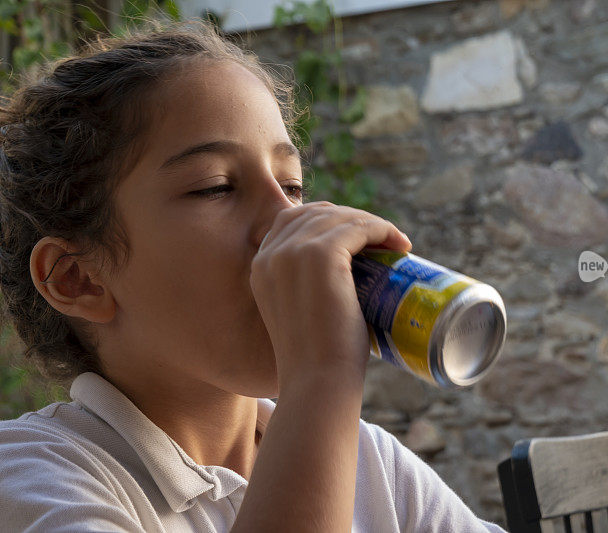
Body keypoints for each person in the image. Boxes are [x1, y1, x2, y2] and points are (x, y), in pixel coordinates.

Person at [0, 16, 506, 533]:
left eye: (291, 185)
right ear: (76, 279)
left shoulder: (371, 467)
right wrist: (320, 375)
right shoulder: (32, 478)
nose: (286, 220)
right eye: (215, 186)